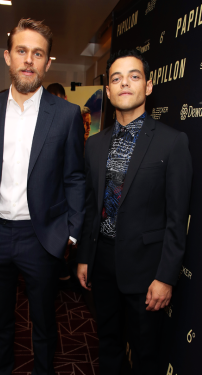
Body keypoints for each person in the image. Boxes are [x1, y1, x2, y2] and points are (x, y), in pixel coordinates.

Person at [0, 18, 85, 375]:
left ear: (48, 63)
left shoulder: (66, 115)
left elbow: (75, 177)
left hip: (42, 236)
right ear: (7, 56)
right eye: (21, 51)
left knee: (44, 325)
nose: (28, 60)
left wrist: (71, 232)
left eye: (38, 54)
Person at [77, 49, 192, 375]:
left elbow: (176, 217)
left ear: (149, 86)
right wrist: (85, 255)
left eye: (134, 76)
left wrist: (165, 277)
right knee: (108, 342)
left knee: (145, 353)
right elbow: (90, 205)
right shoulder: (95, 144)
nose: (124, 83)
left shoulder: (172, 143)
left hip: (147, 270)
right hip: (102, 264)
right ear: (108, 92)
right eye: (116, 78)